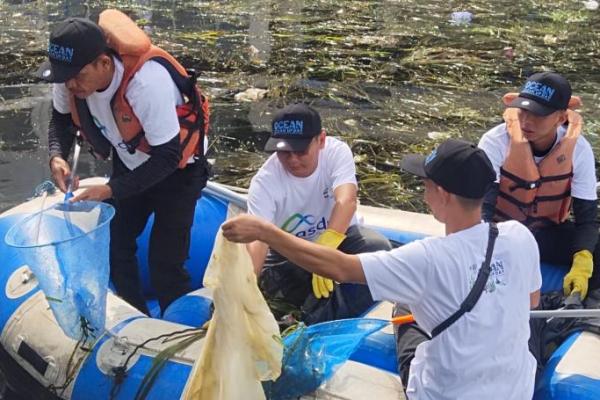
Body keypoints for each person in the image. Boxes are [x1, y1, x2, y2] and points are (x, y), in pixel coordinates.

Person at [223, 138, 541, 399]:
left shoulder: (427, 258)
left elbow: (339, 267)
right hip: (516, 390)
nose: (423, 193)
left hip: (447, 393)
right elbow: (531, 302)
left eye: (426, 184)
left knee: (403, 308)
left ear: (442, 193)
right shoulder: (519, 236)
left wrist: (265, 231)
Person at [37, 10, 211, 315]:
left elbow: (168, 157)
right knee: (115, 246)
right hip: (130, 161)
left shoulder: (145, 84)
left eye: (79, 76)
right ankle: (136, 317)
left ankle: (182, 331)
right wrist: (57, 155)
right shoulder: (68, 79)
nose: (71, 86)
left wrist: (110, 190)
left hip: (178, 170)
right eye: (65, 78)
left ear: (103, 63)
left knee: (165, 263)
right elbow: (60, 121)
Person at [245, 103, 391, 325]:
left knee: (377, 249)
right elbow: (258, 241)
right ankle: (309, 313)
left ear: (320, 140)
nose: (293, 160)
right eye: (284, 152)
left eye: (301, 151)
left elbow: (346, 199)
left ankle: (314, 322)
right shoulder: (264, 182)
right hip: (290, 250)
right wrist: (245, 285)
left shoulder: (336, 152)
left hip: (339, 239)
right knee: (272, 286)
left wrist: (326, 248)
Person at [478, 72, 600, 301]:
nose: (526, 122)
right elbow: (481, 209)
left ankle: (581, 310)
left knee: (596, 250)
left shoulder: (579, 150)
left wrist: (582, 260)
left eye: (538, 115)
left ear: (561, 117)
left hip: (546, 233)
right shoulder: (494, 141)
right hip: (499, 234)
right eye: (523, 111)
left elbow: (587, 218)